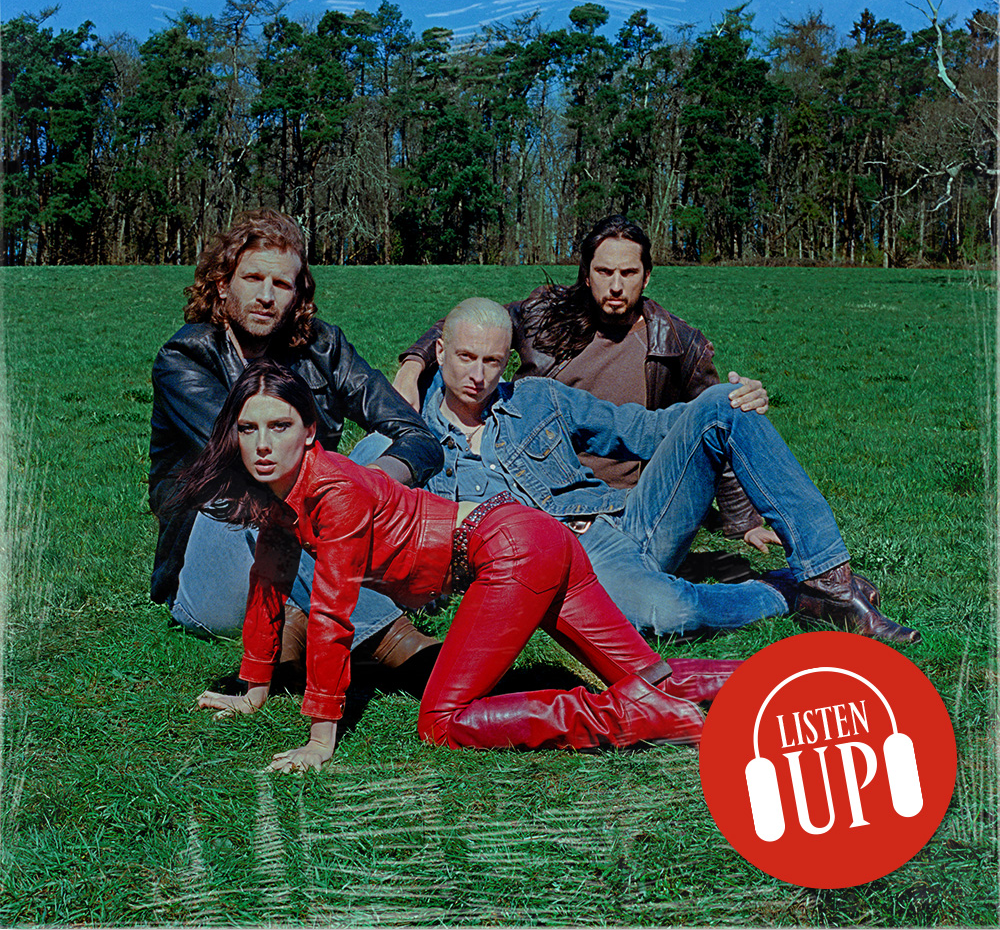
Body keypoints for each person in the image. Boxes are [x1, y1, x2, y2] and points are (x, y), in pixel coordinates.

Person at [178, 358, 743, 771]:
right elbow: (269, 585)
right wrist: (253, 689)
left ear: (310, 433)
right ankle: (760, 679)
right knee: (651, 672)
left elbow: (330, 614)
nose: (261, 445)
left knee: (442, 722)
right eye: (248, 429)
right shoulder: (280, 497)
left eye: (279, 427)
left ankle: (637, 717)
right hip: (533, 537)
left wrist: (321, 737)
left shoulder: (335, 491)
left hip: (512, 551)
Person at [353, 298, 921, 645]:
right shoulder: (409, 440)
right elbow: (354, 498)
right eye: (465, 357)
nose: (478, 374)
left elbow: (642, 430)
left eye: (492, 361)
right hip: (567, 570)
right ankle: (793, 593)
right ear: (440, 350)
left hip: (618, 526)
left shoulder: (538, 399)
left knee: (724, 404)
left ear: (508, 361)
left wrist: (723, 399)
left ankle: (832, 578)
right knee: (669, 611)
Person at [149, 208, 444, 676]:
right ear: (223, 285)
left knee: (374, 453)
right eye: (253, 278)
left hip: (308, 542)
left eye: (282, 284)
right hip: (216, 567)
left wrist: (372, 484)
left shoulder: (323, 347)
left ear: (297, 293)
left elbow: (418, 436)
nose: (266, 296)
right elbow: (246, 466)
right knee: (260, 480)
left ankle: (297, 617)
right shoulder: (184, 360)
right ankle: (390, 637)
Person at [393, 214, 768, 552]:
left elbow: (712, 430)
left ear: (647, 275)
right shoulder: (544, 316)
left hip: (625, 498)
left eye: (629, 273)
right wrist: (410, 368)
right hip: (539, 483)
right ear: (587, 275)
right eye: (604, 272)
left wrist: (744, 521)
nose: (616, 285)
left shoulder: (678, 343)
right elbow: (467, 327)